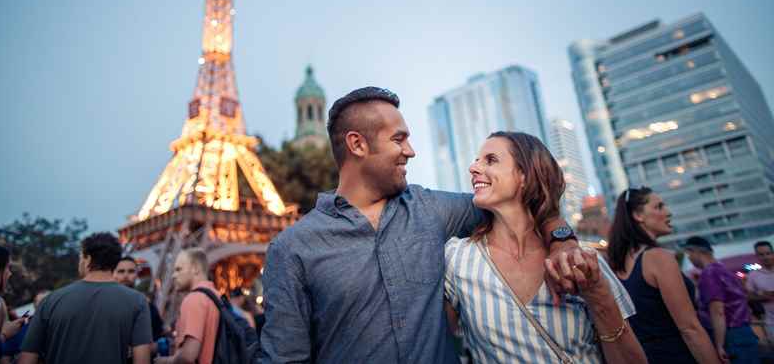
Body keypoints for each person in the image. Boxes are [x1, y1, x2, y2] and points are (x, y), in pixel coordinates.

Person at [260, 87, 582, 363]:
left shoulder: (432, 208)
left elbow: (522, 204)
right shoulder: (292, 249)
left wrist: (562, 241)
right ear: (357, 145)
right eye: (398, 139)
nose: (410, 151)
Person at [444, 131, 646, 363]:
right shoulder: (457, 258)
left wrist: (598, 296)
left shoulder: (582, 261)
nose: (473, 168)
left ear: (525, 176)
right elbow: (440, 346)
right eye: (476, 160)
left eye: (491, 160)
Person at [607, 187, 721, 363]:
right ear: (638, 215)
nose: (668, 212)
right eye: (659, 207)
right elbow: (690, 328)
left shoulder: (615, 266)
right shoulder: (659, 258)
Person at [17, 232, 152, 364]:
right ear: (116, 262)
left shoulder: (50, 301)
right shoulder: (137, 301)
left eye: (81, 257)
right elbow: (142, 359)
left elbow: (27, 358)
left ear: (87, 259)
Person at [684, 235, 760, 363]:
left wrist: (719, 344)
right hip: (744, 332)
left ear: (695, 251)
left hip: (731, 335)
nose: (689, 258)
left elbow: (717, 311)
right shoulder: (723, 269)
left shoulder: (709, 273)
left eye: (689, 254)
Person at [155, 249, 219, 364]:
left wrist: (165, 361)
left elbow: (188, 356)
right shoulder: (216, 296)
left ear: (195, 268)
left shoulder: (194, 299)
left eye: (179, 269)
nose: (173, 275)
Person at [114, 256, 164, 342]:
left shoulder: (147, 306)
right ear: (114, 274)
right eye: (121, 271)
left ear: (136, 274)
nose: (125, 275)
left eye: (131, 271)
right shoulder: (105, 302)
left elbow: (157, 335)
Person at [747, 241, 774, 344]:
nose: (765, 257)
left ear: (772, 253)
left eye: (768, 253)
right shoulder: (753, 275)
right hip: (771, 323)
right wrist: (764, 296)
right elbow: (749, 297)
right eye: (761, 255)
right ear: (757, 256)